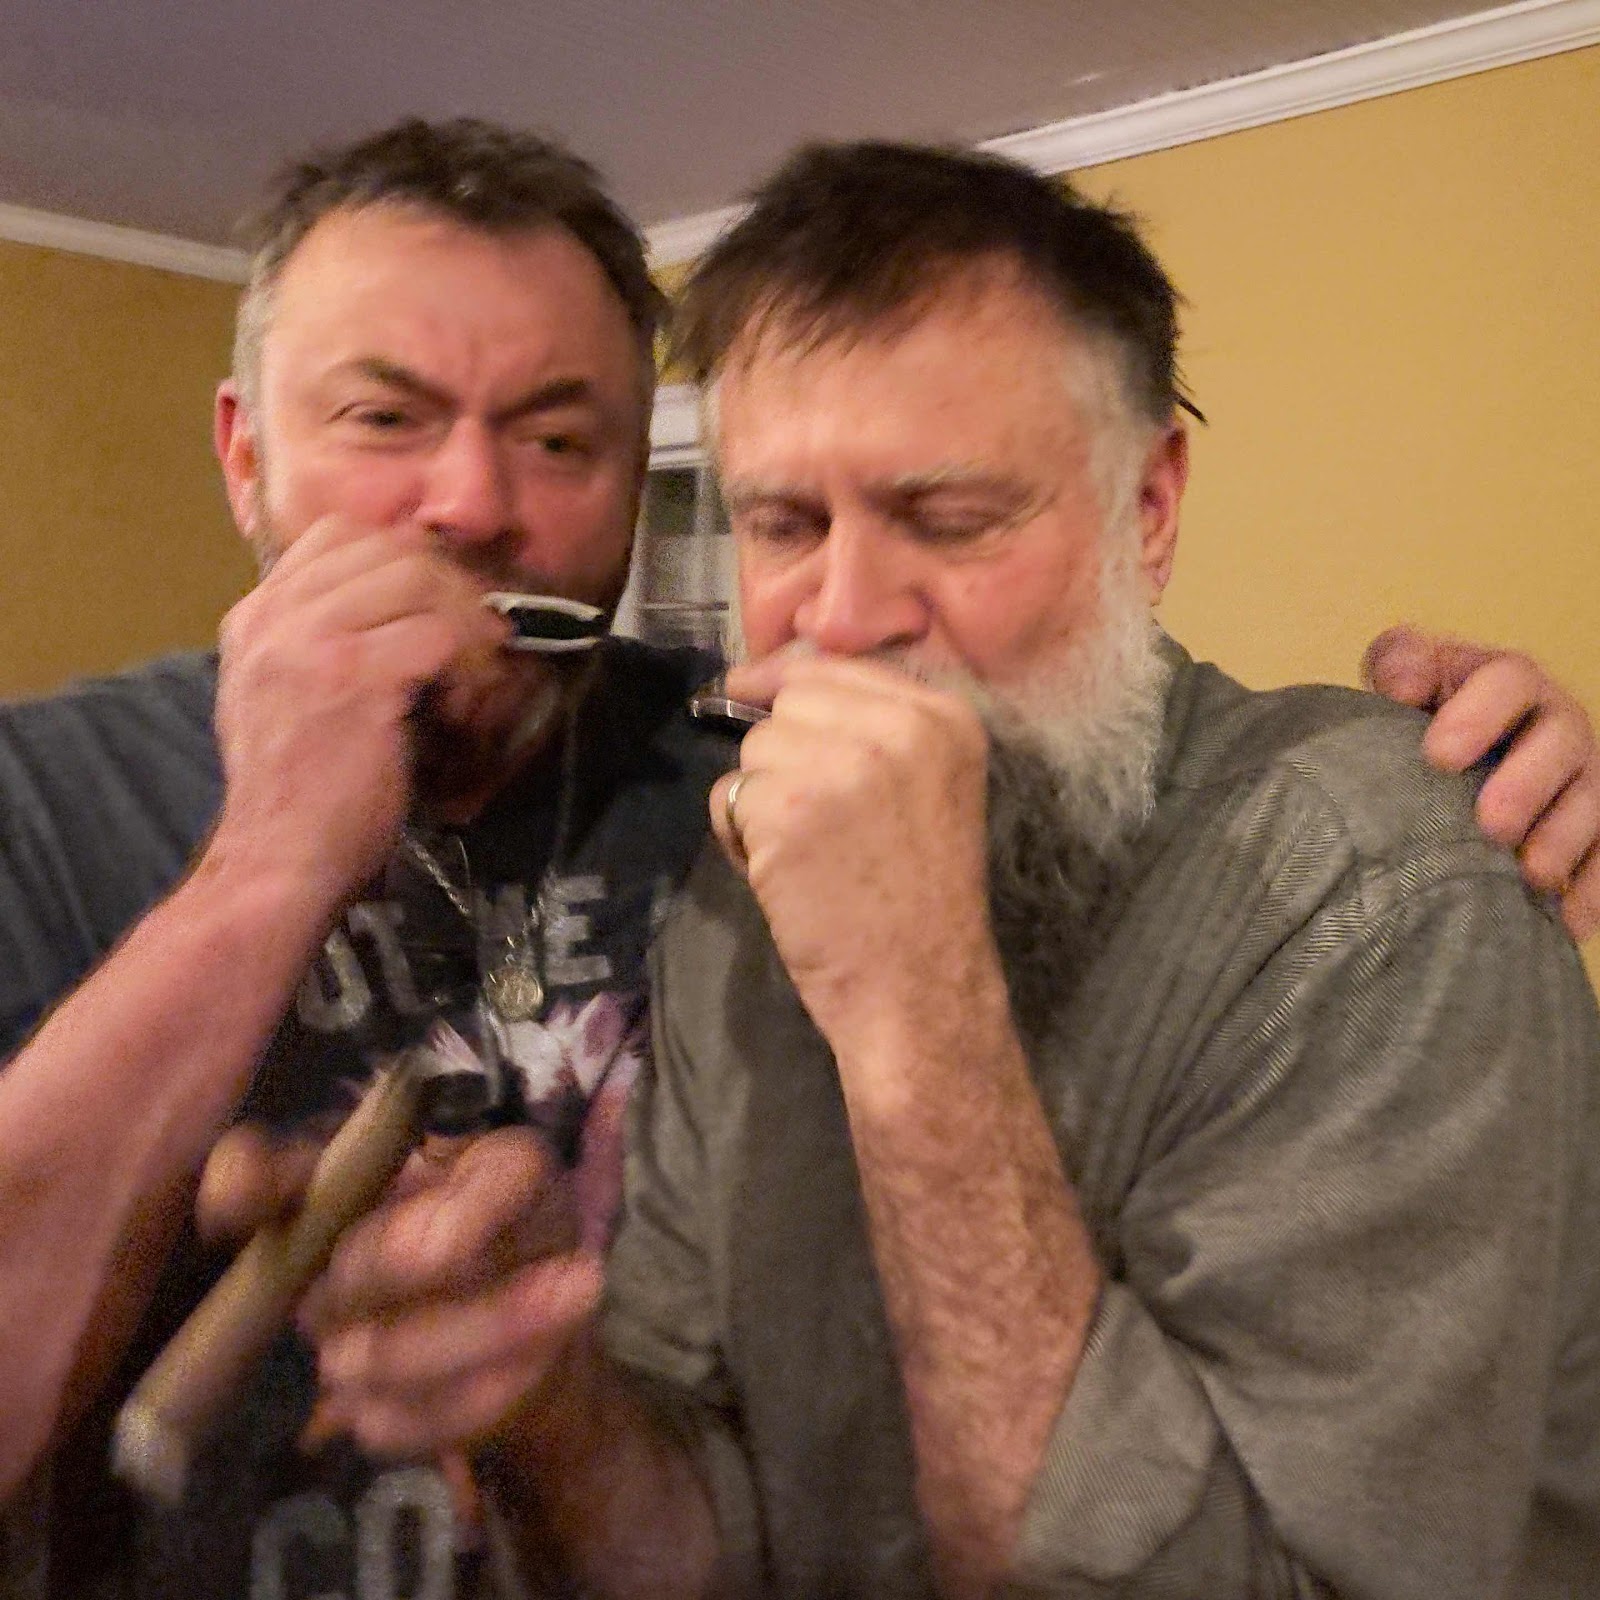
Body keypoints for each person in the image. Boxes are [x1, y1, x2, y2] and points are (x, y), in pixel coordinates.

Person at [0, 121, 1594, 1599]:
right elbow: (707, 1528)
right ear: (243, 454)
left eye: (949, 517)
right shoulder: (734, 874)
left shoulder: (1367, 892)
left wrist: (918, 1006)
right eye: (780, 524)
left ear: (1150, 506)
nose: (841, 616)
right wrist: (550, 1393)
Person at [0, 118, 732, 1596]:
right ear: (245, 457)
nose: (472, 505)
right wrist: (267, 863)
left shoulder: (747, 781)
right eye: (384, 419)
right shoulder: (34, 798)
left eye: (559, 440)